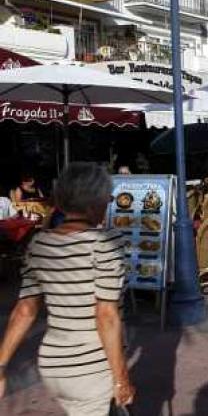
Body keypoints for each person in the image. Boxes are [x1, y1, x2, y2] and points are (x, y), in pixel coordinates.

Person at [0, 162, 134, 415]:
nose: (108, 203)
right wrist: (121, 378)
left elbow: (25, 310)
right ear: (94, 201)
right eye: (107, 197)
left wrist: (1, 366)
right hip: (91, 367)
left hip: (54, 365)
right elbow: (105, 314)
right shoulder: (106, 243)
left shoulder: (39, 244)